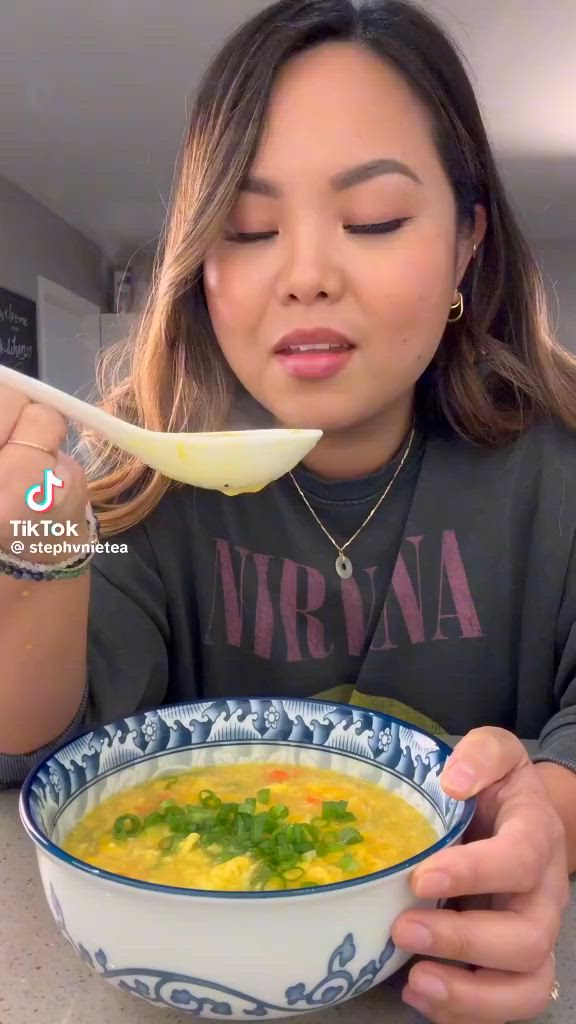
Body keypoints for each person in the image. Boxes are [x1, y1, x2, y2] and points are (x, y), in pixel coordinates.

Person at [0, 0, 573, 1019]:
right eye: (250, 229)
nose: (305, 275)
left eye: (376, 220)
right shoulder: (137, 482)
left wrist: (548, 819)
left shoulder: (556, 471)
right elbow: (38, 752)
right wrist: (36, 536)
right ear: (202, 267)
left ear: (466, 246)